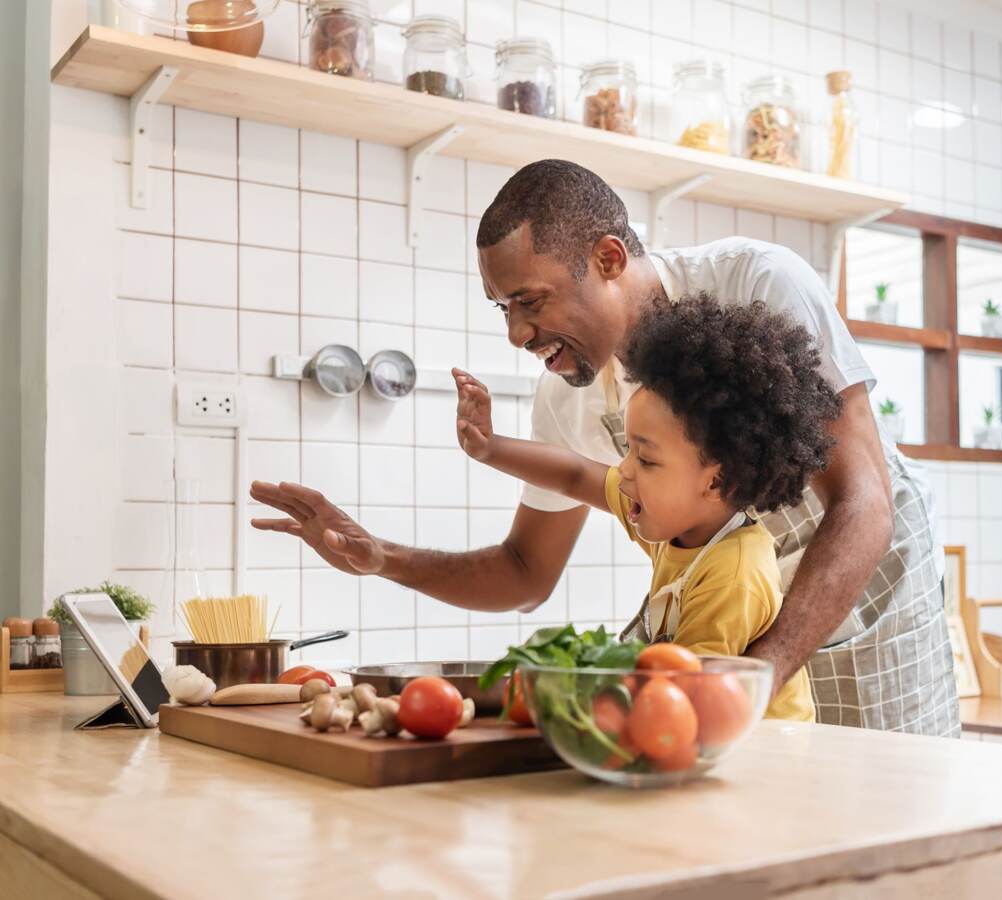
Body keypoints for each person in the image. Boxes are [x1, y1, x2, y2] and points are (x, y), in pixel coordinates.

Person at [251, 159, 959, 736]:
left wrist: (765, 671)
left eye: (530, 300)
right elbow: (526, 570)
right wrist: (380, 557)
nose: (517, 335)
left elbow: (864, 501)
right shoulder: (567, 392)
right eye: (503, 309)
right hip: (732, 638)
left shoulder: (757, 284)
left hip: (866, 602)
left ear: (609, 257)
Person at [454, 295, 843, 721]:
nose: (623, 470)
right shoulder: (679, 519)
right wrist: (490, 448)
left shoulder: (734, 573)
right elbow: (575, 476)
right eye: (629, 450)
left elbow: (688, 701)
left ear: (714, 481)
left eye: (646, 459)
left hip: (766, 761)